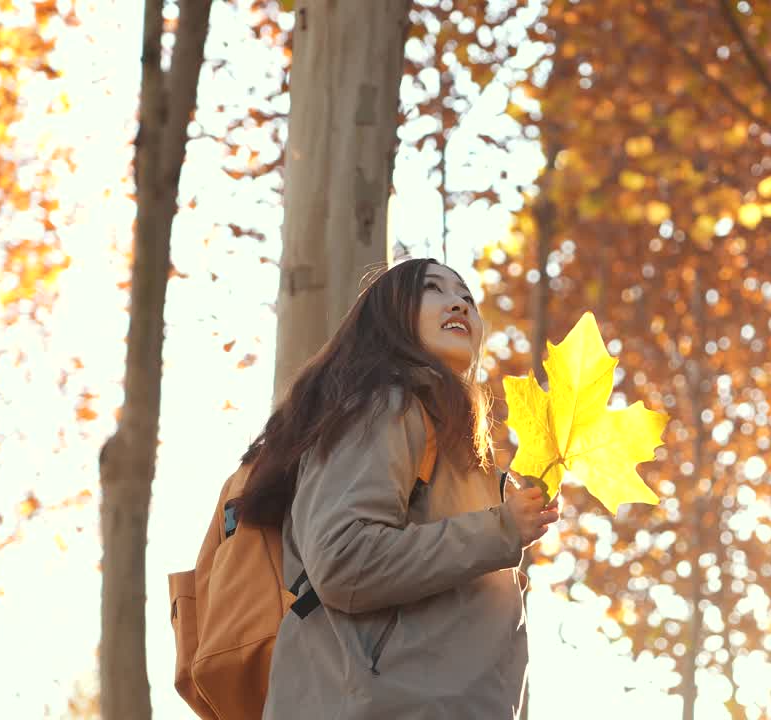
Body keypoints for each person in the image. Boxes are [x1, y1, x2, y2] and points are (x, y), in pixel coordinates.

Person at [235, 258, 557, 719]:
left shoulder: (446, 434)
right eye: (434, 289)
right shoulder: (383, 405)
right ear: (389, 314)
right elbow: (344, 560)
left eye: (467, 296)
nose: (459, 303)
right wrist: (499, 531)